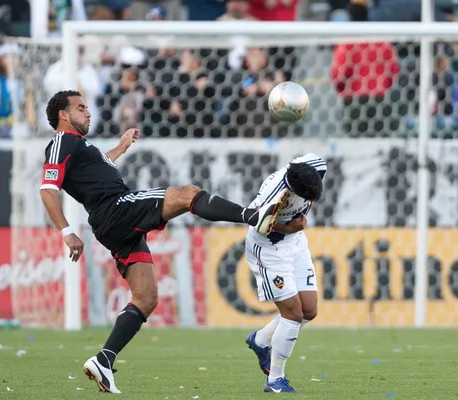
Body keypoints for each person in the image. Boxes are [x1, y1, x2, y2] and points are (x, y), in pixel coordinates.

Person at [38, 90, 289, 394]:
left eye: (88, 107)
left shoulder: (80, 146)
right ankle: (252, 215)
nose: (88, 113)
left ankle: (104, 360)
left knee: (146, 298)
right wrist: (66, 231)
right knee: (186, 194)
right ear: (63, 116)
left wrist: (121, 147)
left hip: (112, 224)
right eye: (80, 108)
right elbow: (48, 188)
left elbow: (96, 167)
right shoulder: (62, 142)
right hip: (115, 208)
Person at [243, 154, 327, 393]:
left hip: (297, 244)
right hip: (270, 250)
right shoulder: (275, 194)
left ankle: (260, 340)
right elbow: (254, 221)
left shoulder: (316, 165)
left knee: (309, 311)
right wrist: (289, 227)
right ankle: (275, 381)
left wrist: (295, 232)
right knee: (292, 314)